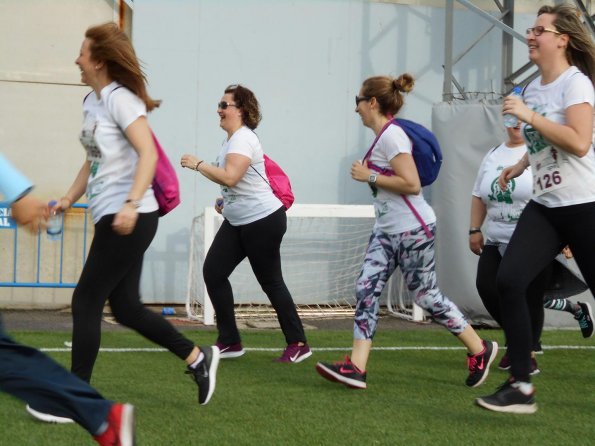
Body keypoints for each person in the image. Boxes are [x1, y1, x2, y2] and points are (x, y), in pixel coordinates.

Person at [34, 22, 219, 415]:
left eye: (82, 53)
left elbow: (147, 155)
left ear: (99, 61)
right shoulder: (91, 103)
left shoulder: (122, 100)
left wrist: (132, 204)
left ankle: (75, 400)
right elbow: (93, 160)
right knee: (126, 307)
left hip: (131, 216)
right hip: (112, 216)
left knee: (85, 300)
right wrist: (68, 197)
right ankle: (197, 358)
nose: (76, 59)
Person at [315, 74, 498, 390]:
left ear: (372, 102)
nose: (356, 108)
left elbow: (412, 184)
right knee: (365, 289)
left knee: (426, 297)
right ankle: (356, 368)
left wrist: (369, 176)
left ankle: (479, 348)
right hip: (386, 232)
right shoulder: (383, 136)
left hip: (413, 230)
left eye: (358, 101)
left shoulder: (392, 137)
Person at [476, 4, 595, 414]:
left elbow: (579, 142)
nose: (530, 34)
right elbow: (545, 140)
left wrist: (527, 116)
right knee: (509, 281)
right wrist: (522, 163)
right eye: (530, 28)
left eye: (539, 29)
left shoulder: (575, 84)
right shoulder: (532, 88)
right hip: (545, 206)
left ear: (562, 39)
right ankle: (521, 385)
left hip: (584, 206)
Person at [0, 152, 134, 446]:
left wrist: (17, 190)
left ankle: (99, 413)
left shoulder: (117, 109)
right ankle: (99, 413)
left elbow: (145, 154)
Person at [180, 84, 311, 363]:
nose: (219, 109)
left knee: (271, 282)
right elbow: (234, 185)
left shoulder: (242, 139)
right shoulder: (231, 140)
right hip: (240, 220)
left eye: (224, 105)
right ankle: (230, 341)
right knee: (214, 272)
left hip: (263, 221)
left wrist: (198, 164)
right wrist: (226, 202)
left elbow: (230, 176)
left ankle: (298, 343)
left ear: (241, 110)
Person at [469, 126, 593, 373]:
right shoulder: (496, 153)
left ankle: (523, 354)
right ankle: (521, 358)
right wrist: (474, 229)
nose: (516, 124)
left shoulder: (570, 118)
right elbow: (478, 194)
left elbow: (574, 157)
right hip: (503, 235)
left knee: (530, 295)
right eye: (510, 118)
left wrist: (568, 230)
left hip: (550, 228)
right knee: (495, 285)